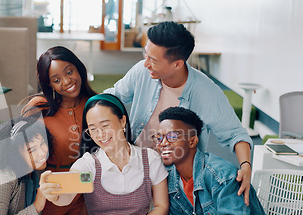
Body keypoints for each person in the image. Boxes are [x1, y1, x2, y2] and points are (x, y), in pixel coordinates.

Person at [104, 21, 253, 205]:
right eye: (146, 55)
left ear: (177, 64)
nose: (146, 64)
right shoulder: (141, 72)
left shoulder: (206, 92)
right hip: (134, 165)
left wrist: (246, 166)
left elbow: (235, 134)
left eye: (154, 60)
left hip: (175, 177)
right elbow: (113, 95)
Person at [154, 107, 289, 215]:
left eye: (171, 136)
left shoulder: (224, 177)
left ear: (192, 140)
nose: (162, 143)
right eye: (158, 138)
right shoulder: (168, 179)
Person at [40, 94, 169, 215]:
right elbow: (68, 195)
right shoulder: (89, 164)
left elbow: (161, 206)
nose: (100, 135)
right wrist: (55, 195)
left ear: (122, 121)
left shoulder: (150, 159)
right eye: (93, 129)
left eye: (105, 125)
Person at [19, 46, 98, 215]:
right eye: (56, 80)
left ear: (78, 68)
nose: (67, 81)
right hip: (49, 191)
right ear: (50, 85)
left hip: (86, 190)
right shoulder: (38, 107)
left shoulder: (95, 104)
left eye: (69, 72)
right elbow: (17, 147)